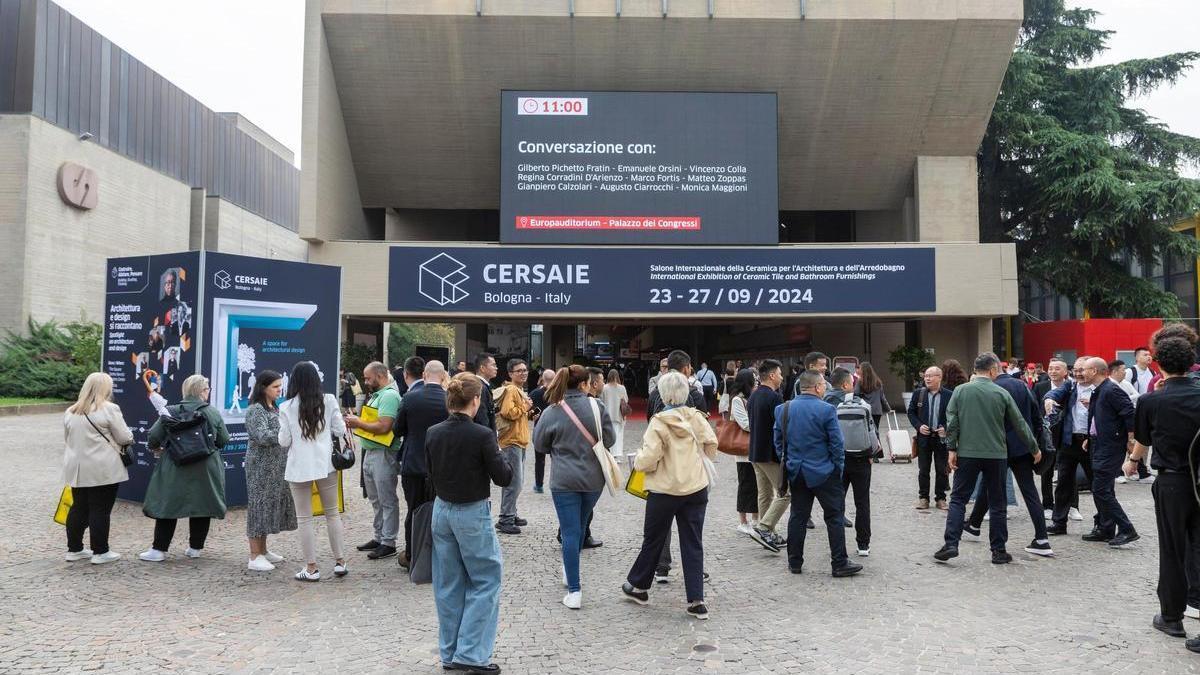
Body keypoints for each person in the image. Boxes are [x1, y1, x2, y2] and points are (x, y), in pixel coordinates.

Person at [426, 373, 513, 673]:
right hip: (471, 512)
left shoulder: (433, 432)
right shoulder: (482, 435)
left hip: (442, 509)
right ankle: (472, 654)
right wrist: (502, 454)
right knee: (486, 579)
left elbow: (429, 472)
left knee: (448, 584)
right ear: (475, 401)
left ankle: (450, 654)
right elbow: (503, 477)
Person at [621, 371, 719, 619]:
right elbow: (712, 443)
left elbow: (648, 458)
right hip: (696, 487)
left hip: (664, 489)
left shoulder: (659, 422)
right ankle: (697, 599)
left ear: (662, 394)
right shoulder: (696, 416)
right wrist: (698, 461)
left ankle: (639, 586)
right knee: (693, 541)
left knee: (653, 538)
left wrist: (639, 461)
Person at [1128, 333, 1200, 650]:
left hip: (1172, 481)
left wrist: (1131, 462)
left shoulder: (1150, 401)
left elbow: (1143, 440)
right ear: (1191, 363)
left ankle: (1172, 617)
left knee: (1172, 549)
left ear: (1158, 363)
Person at [933, 353, 1039, 565]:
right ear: (993, 371)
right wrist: (1034, 448)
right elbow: (1019, 423)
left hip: (967, 453)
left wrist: (951, 449)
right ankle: (998, 551)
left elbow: (951, 422)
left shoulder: (961, 391)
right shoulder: (1000, 392)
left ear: (974, 369)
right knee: (998, 502)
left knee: (958, 499)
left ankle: (951, 543)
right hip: (996, 454)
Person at [532, 365, 615, 610]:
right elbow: (609, 439)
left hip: (564, 480)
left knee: (570, 531)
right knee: (579, 526)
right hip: (593, 480)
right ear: (583, 384)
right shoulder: (596, 407)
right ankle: (571, 573)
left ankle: (574, 589)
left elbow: (539, 444)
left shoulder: (551, 411)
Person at [961, 357, 1053, 558]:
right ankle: (1042, 538)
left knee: (991, 487)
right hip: (1021, 447)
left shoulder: (988, 388)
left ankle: (976, 526)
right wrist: (1035, 444)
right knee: (1028, 491)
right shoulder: (1020, 385)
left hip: (996, 448)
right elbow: (1035, 414)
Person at [776, 371, 862, 577]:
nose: (826, 388)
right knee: (834, 517)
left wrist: (790, 462)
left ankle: (794, 562)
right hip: (825, 471)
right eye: (824, 384)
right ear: (816, 387)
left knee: (798, 516)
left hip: (797, 471)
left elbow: (778, 442)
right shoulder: (827, 410)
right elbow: (837, 443)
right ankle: (839, 562)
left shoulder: (783, 409)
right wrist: (837, 468)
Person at [140, 374, 229, 562]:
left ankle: (158, 550)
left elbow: (153, 437)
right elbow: (223, 440)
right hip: (205, 466)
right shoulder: (212, 412)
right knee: (202, 505)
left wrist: (161, 447)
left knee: (167, 505)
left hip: (174, 464)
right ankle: (195, 548)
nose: (209, 392)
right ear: (202, 392)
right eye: (207, 389)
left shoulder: (169, 411)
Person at [277, 362, 347, 581]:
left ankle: (311, 567)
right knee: (332, 513)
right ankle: (340, 562)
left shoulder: (286, 407)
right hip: (325, 463)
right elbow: (340, 429)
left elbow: (284, 441)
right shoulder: (329, 400)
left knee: (305, 518)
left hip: (299, 467)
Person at [644, 349, 707, 582]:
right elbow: (707, 440)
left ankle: (661, 567)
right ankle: (694, 573)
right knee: (691, 529)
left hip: (661, 470)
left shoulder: (654, 395)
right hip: (690, 472)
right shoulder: (693, 395)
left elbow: (649, 427)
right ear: (687, 368)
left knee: (659, 524)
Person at [62, 372, 133, 565]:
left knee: (78, 508)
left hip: (77, 467)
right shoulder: (110, 409)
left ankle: (74, 549)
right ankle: (100, 552)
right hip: (102, 468)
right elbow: (125, 438)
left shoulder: (71, 411)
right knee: (100, 509)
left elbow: (67, 439)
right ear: (105, 388)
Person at [393, 361, 451, 566]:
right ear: (444, 376)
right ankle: (438, 555)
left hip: (413, 464)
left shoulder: (410, 397)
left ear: (425, 375)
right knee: (440, 511)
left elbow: (397, 429)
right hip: (441, 466)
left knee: (414, 510)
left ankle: (411, 555)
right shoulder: (448, 400)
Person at [345, 362, 402, 560]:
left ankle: (388, 542)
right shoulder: (379, 395)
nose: (365, 382)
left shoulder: (389, 396)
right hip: (371, 451)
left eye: (368, 378)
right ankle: (379, 537)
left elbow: (384, 426)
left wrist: (358, 422)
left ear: (380, 375)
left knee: (386, 499)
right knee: (375, 499)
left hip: (383, 453)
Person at [1082, 357, 1138, 547]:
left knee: (1101, 490)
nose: (1082, 372)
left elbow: (1129, 413)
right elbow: (1100, 417)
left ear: (1095, 371)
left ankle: (1127, 529)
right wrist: (1090, 438)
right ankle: (1106, 528)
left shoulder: (1111, 389)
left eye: (1085, 369)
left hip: (1110, 446)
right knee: (1103, 489)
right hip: (1099, 443)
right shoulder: (1100, 390)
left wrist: (1130, 440)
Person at [244, 369, 297, 572]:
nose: (279, 389)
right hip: (260, 467)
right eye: (275, 386)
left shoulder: (274, 408)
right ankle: (254, 555)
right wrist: (285, 434)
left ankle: (263, 550)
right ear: (263, 388)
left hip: (276, 467)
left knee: (267, 506)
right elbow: (262, 435)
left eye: (280, 385)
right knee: (259, 506)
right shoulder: (255, 410)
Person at [1045, 357, 1100, 535]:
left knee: (1097, 485)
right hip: (1069, 441)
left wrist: (1094, 405)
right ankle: (1059, 522)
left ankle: (1103, 524)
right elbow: (1054, 393)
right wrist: (1049, 399)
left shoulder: (1101, 388)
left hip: (1090, 442)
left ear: (1093, 370)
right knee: (1063, 483)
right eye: (1075, 369)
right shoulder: (1070, 386)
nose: (1077, 373)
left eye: (1081, 370)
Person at [829, 368, 876, 557]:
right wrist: (872, 453)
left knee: (837, 501)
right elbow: (872, 431)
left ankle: (837, 544)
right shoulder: (863, 405)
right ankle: (863, 544)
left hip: (840, 459)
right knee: (862, 502)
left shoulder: (830, 403)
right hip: (862, 459)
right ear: (846, 384)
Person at [747, 359, 790, 553]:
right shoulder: (774, 398)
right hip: (770, 453)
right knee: (785, 492)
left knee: (765, 494)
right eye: (780, 373)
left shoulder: (753, 396)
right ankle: (765, 528)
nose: (781, 377)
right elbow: (781, 427)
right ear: (772, 375)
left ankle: (767, 533)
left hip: (755, 451)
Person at [494, 359, 533, 535]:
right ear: (510, 373)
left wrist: (528, 410)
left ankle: (511, 513)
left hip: (518, 440)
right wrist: (525, 406)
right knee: (514, 482)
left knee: (516, 481)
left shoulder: (518, 390)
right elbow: (507, 412)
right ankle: (506, 518)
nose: (523, 373)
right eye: (518, 371)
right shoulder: (511, 389)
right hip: (512, 441)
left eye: (525, 370)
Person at [1033, 358, 1074, 519]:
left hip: (1067, 433)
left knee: (1068, 471)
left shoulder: (1071, 386)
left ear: (1065, 372)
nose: (1052, 371)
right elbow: (1035, 408)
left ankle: (1072, 506)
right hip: (1046, 434)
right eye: (1050, 368)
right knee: (1046, 471)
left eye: (1057, 368)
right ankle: (1047, 504)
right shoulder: (1040, 386)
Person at [908, 366, 952, 510]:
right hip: (924, 438)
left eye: (931, 376)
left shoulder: (949, 395)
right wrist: (919, 426)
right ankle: (923, 498)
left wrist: (945, 428)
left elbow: (954, 415)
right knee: (923, 469)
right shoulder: (918, 394)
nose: (927, 378)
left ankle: (940, 498)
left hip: (941, 438)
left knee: (941, 469)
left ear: (939, 377)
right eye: (926, 375)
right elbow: (911, 413)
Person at [728, 368, 758, 534]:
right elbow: (745, 423)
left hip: (755, 448)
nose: (757, 382)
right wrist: (761, 423)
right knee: (746, 485)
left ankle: (755, 519)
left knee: (757, 486)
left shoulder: (752, 398)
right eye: (754, 379)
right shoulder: (738, 401)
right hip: (743, 451)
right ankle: (743, 521)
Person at [530, 368, 556, 494]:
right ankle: (555, 483)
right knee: (556, 458)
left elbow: (529, 411)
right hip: (557, 430)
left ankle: (539, 484)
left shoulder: (535, 393)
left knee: (539, 459)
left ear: (543, 379)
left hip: (539, 429)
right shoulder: (559, 393)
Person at [854, 362, 892, 432]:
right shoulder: (877, 382)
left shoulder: (860, 382)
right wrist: (888, 409)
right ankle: (878, 442)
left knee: (866, 431)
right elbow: (882, 398)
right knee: (875, 431)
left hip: (864, 410)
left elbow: (856, 394)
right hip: (877, 411)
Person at [600, 369, 629, 460]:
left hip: (607, 415)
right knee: (618, 435)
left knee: (609, 435)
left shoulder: (604, 388)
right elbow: (626, 400)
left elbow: (601, 400)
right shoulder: (622, 388)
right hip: (618, 415)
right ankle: (618, 455)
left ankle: (610, 454)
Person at [472, 353, 498, 429]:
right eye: (493, 365)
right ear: (482, 368)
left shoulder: (482, 385)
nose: (496, 368)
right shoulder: (480, 387)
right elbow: (481, 418)